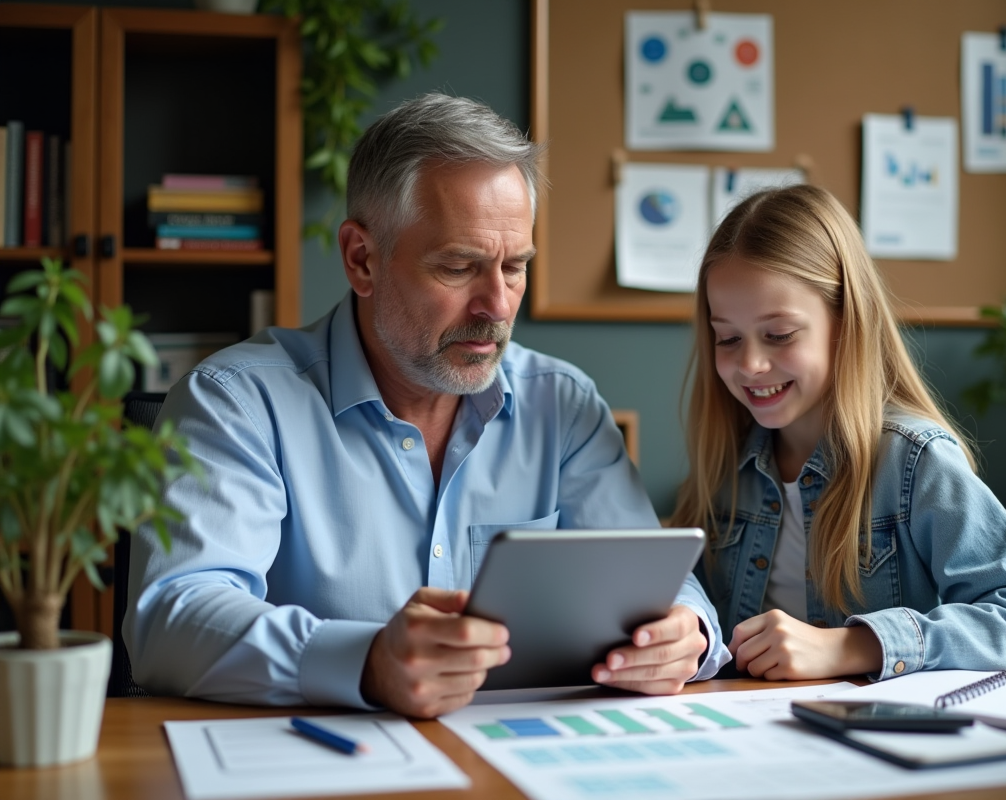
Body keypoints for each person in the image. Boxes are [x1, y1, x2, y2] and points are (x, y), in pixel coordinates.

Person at [125, 93, 730, 718]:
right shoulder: (236, 403)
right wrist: (366, 662)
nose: (496, 305)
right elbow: (173, 616)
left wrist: (687, 632)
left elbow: (658, 581)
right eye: (459, 267)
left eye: (515, 267)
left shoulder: (563, 405)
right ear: (362, 259)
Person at [670, 184, 1006, 682]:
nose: (749, 363)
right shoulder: (726, 466)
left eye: (779, 335)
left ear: (846, 322)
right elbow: (691, 607)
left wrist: (853, 647)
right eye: (727, 338)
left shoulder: (915, 461)